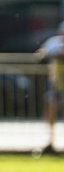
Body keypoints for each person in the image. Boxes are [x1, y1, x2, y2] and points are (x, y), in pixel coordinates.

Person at [36, 23, 64, 154]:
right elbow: (40, 55)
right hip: (56, 82)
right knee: (50, 107)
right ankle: (50, 139)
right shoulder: (53, 43)